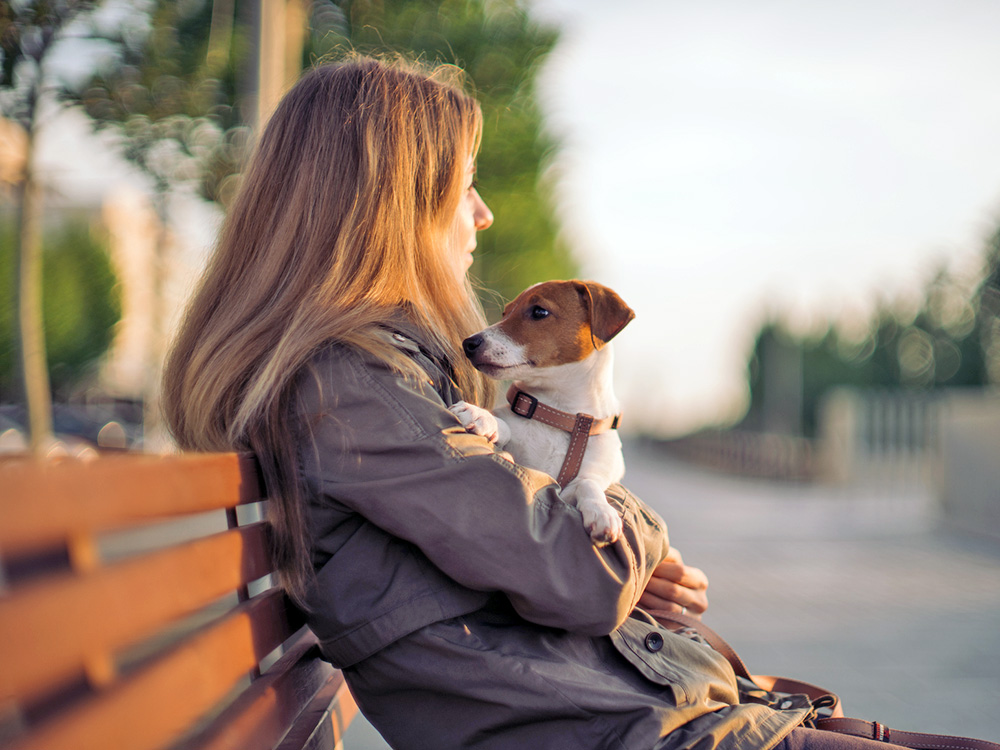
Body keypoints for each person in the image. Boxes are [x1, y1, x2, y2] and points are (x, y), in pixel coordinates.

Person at [161, 57, 912, 750]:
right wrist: (633, 526)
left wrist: (611, 547)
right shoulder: (353, 389)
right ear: (394, 210)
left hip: (641, 708)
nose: (483, 214)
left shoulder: (377, 381)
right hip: (627, 730)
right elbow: (586, 578)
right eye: (465, 186)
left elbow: (545, 558)